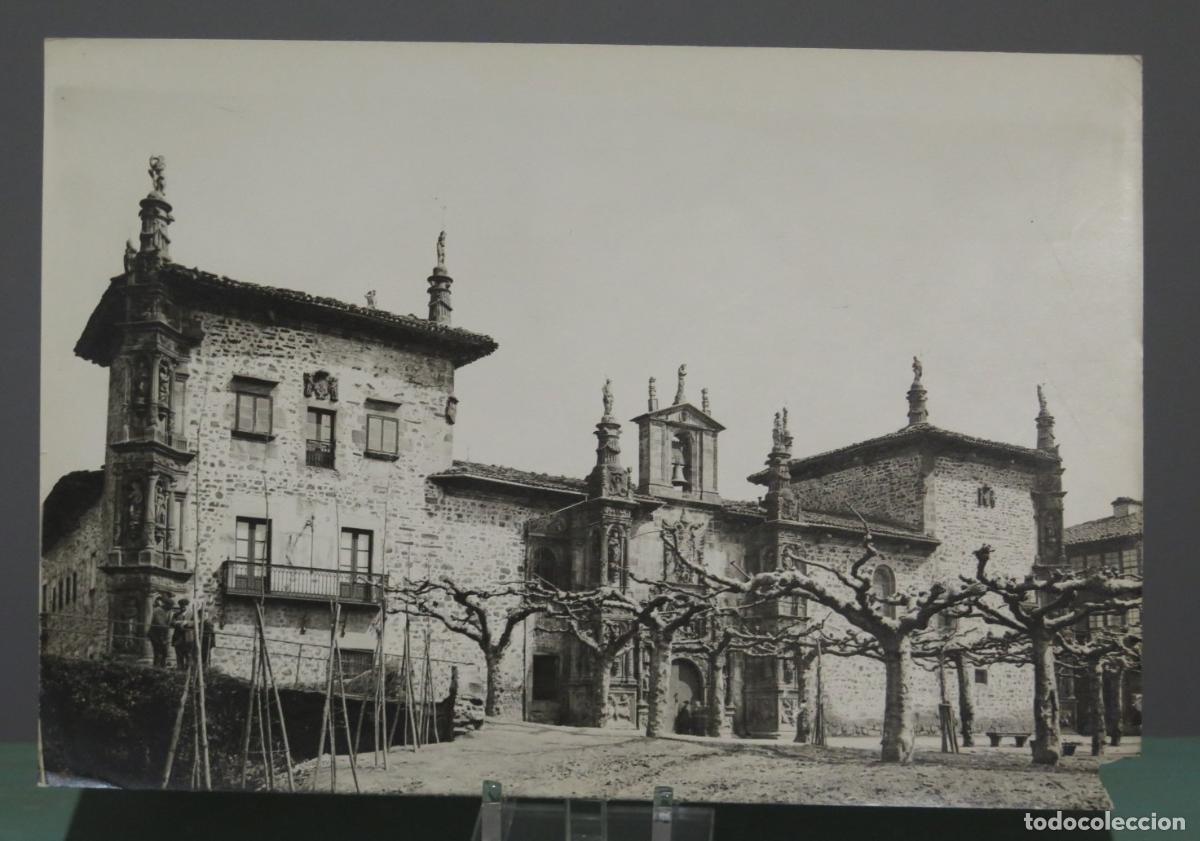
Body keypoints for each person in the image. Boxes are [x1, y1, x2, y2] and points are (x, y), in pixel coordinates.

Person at [148, 594, 174, 667]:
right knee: (158, 652)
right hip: (156, 634)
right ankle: (157, 667)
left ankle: (162, 667)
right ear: (166, 605)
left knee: (164, 652)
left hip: (162, 634)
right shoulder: (158, 610)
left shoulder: (167, 611)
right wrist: (168, 626)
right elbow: (159, 623)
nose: (170, 608)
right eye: (169, 606)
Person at [171, 598, 193, 670]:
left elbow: (195, 623)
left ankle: (188, 672)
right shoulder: (176, 614)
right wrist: (179, 623)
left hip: (188, 639)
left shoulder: (192, 614)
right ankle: (179, 671)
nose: (183, 607)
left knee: (189, 656)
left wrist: (187, 622)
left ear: (188, 606)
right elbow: (172, 623)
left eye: (185, 606)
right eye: (181, 606)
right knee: (179, 656)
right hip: (178, 638)